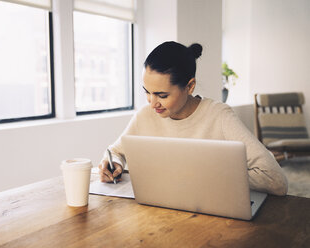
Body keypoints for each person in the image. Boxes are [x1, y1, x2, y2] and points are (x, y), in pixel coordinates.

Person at [98, 41, 288, 196]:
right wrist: (115, 163)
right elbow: (116, 151)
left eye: (162, 95)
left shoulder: (219, 116)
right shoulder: (145, 115)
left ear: (190, 87)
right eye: (147, 92)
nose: (152, 102)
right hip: (159, 211)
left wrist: (208, 177)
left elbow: (275, 180)